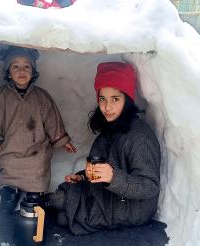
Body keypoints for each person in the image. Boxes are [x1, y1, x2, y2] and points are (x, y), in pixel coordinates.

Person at [44, 62, 161, 235]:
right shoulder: (112, 127)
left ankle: (47, 204)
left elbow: (150, 186)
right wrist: (83, 177)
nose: (107, 107)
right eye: (102, 99)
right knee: (69, 192)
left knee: (66, 207)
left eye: (115, 99)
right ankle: (48, 204)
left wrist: (113, 177)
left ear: (127, 100)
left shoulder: (139, 138)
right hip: (112, 194)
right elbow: (102, 171)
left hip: (131, 208)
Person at [0, 46, 76, 217]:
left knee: (39, 167)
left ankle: (35, 195)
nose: (21, 71)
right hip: (10, 150)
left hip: (35, 151)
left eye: (27, 66)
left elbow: (52, 120)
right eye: (15, 66)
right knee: (8, 167)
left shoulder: (41, 96)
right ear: (8, 72)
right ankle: (9, 192)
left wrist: (62, 140)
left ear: (33, 71)